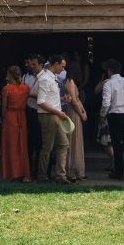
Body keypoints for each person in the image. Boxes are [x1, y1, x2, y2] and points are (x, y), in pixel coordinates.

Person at [35, 54, 73, 184]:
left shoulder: (52, 78)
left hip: (55, 114)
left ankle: (60, 176)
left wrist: (62, 100)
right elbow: (40, 102)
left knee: (63, 144)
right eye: (62, 66)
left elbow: (48, 99)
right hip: (48, 116)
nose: (63, 69)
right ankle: (42, 176)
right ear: (55, 64)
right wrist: (57, 111)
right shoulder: (46, 79)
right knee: (48, 147)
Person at [0, 66, 31, 182]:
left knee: (10, 145)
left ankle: (13, 173)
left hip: (10, 117)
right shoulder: (26, 88)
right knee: (22, 145)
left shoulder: (6, 89)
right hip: (22, 117)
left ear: (11, 75)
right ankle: (24, 173)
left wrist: (3, 119)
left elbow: (3, 108)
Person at [61, 55, 88, 181]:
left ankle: (76, 170)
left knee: (75, 140)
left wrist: (83, 110)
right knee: (73, 141)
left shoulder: (70, 82)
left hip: (74, 111)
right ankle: (72, 170)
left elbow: (77, 100)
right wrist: (81, 113)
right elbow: (73, 101)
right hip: (72, 112)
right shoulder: (70, 82)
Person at [21, 54, 44, 180]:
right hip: (28, 110)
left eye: (31, 63)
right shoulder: (25, 77)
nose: (29, 66)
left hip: (38, 111)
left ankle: (38, 171)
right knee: (29, 142)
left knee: (39, 142)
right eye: (28, 63)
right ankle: (28, 170)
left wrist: (32, 95)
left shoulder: (43, 77)